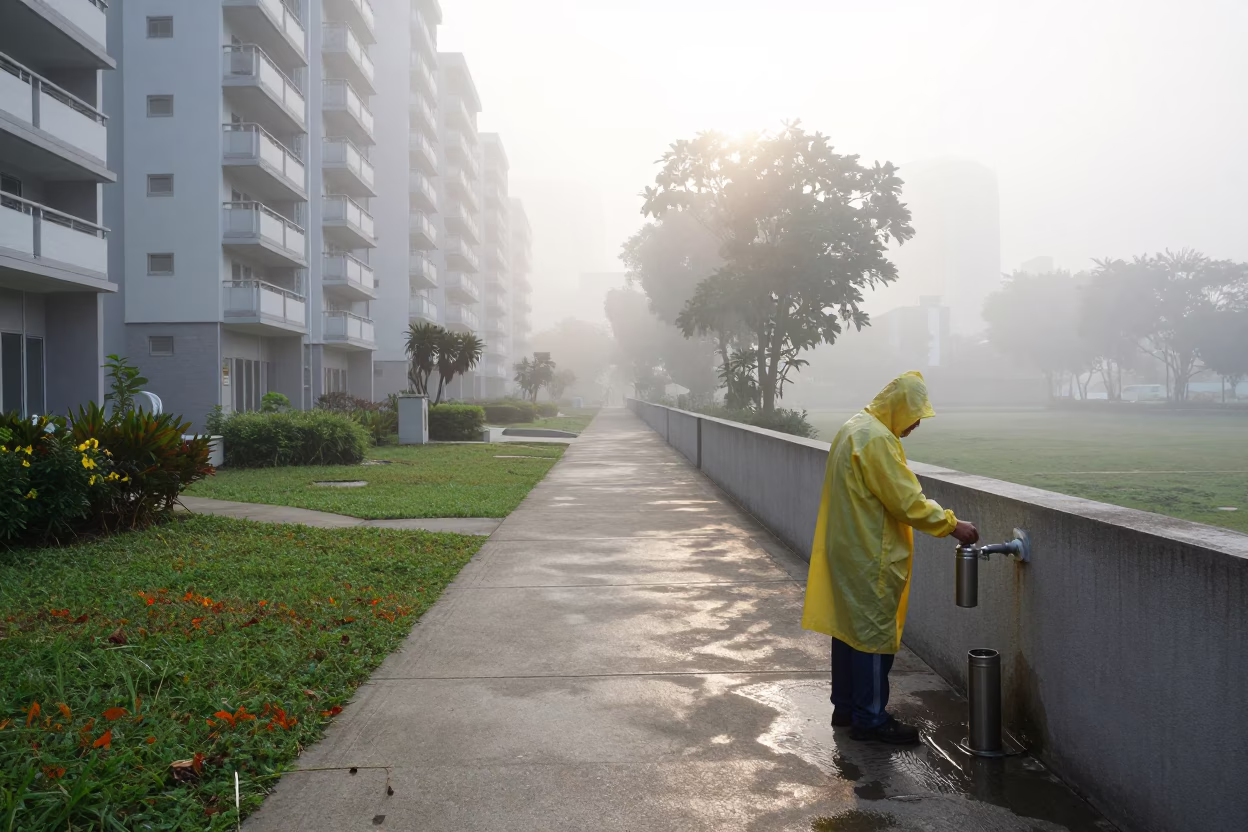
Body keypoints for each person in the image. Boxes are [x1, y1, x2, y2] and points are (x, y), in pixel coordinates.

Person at [801, 371, 979, 744]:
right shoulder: (876, 439)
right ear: (898, 408)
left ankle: (846, 708)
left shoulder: (855, 427)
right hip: (870, 552)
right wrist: (952, 525)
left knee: (848, 630)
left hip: (847, 548)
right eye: (914, 416)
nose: (915, 426)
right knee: (871, 636)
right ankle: (871, 719)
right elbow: (906, 501)